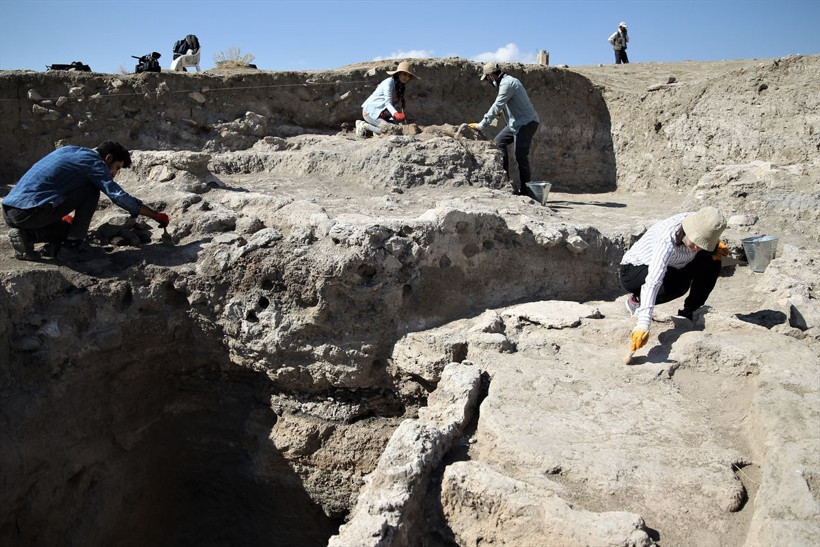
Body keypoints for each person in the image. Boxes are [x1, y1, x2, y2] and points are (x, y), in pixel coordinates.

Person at [2, 141, 169, 261]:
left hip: (11, 211)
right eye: (117, 167)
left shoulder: (68, 151)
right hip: (32, 212)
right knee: (91, 189)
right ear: (108, 158)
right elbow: (118, 196)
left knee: (67, 230)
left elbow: (54, 184)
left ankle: (26, 235)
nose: (115, 173)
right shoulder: (94, 163)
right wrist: (155, 215)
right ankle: (73, 247)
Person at [619, 207, 729, 352]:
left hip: (673, 265)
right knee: (677, 287)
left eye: (702, 244)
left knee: (713, 259)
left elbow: (708, 232)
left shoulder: (704, 221)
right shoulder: (667, 238)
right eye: (696, 242)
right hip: (636, 271)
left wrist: (713, 247)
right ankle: (637, 301)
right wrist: (643, 324)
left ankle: (690, 311)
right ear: (689, 230)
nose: (697, 248)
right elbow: (653, 280)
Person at [469, 62, 541, 198]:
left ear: (491, 75)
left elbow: (497, 104)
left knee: (520, 155)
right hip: (516, 123)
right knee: (498, 142)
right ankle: (505, 180)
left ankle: (527, 192)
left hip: (527, 123)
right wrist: (502, 112)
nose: (488, 82)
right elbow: (507, 103)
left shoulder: (507, 83)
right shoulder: (505, 83)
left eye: (487, 79)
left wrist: (482, 124)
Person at [357, 61, 418, 137]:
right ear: (399, 73)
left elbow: (394, 104)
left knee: (397, 128)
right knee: (389, 131)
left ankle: (375, 130)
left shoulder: (400, 87)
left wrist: (397, 117)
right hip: (371, 112)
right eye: (404, 74)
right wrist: (395, 114)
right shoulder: (388, 83)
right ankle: (363, 125)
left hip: (383, 114)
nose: (406, 77)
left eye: (409, 76)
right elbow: (387, 102)